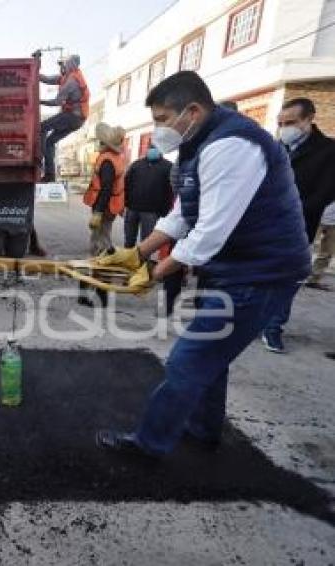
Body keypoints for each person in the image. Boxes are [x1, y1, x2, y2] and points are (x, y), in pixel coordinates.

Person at [94, 71, 310, 458]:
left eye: (162, 119)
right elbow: (182, 216)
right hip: (237, 267)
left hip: (262, 271)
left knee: (187, 360)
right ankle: (203, 429)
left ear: (191, 111)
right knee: (212, 354)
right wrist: (139, 253)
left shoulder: (230, 147)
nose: (158, 129)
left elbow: (209, 234)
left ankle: (148, 445)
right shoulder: (197, 145)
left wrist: (154, 275)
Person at [261, 98, 335, 352]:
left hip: (297, 226)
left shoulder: (328, 151)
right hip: (261, 225)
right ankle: (254, 321)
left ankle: (273, 327)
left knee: (287, 279)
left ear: (308, 119)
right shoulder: (274, 147)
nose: (284, 128)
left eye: (290, 122)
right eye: (280, 123)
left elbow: (323, 194)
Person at [37, 54, 90, 182]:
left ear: (70, 65)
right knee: (50, 142)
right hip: (77, 119)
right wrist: (35, 70)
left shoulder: (71, 81)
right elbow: (47, 79)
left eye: (63, 64)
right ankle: (50, 175)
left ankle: (38, 159)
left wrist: (39, 101)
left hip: (73, 117)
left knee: (43, 126)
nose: (61, 67)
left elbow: (57, 102)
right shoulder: (66, 77)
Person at [84, 123, 126, 256]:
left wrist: (98, 211)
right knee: (104, 231)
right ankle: (104, 253)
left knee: (100, 234)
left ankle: (101, 256)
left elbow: (106, 187)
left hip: (105, 204)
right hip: (111, 203)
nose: (98, 143)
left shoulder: (107, 160)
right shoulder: (116, 157)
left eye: (100, 141)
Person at [123, 146, 173, 248]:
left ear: (161, 151)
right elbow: (126, 183)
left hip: (151, 212)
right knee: (129, 239)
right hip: (132, 209)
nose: (152, 151)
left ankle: (143, 262)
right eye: (151, 148)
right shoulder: (137, 164)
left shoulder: (168, 166)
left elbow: (170, 191)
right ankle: (127, 260)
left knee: (146, 242)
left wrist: (164, 211)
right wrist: (125, 203)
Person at [308, 202, 335, 290]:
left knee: (325, 252)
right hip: (330, 223)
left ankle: (313, 279)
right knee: (327, 253)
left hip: (326, 220)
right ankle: (313, 280)